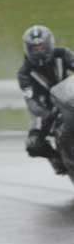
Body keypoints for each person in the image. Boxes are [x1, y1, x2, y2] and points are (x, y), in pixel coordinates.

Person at [17, 25, 74, 175]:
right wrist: (43, 112)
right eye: (34, 48)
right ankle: (56, 158)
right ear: (28, 49)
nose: (39, 51)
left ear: (50, 44)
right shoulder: (24, 73)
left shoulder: (63, 54)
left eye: (42, 46)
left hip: (70, 98)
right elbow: (30, 99)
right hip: (47, 109)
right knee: (33, 144)